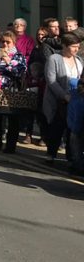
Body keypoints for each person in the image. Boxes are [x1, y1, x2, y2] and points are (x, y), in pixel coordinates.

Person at [42, 33, 82, 164]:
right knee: (56, 128)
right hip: (59, 101)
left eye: (78, 46)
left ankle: (72, 158)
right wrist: (64, 96)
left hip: (75, 101)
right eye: (73, 46)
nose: (76, 49)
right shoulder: (54, 58)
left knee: (73, 130)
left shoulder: (79, 60)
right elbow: (51, 81)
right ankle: (51, 153)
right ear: (64, 45)